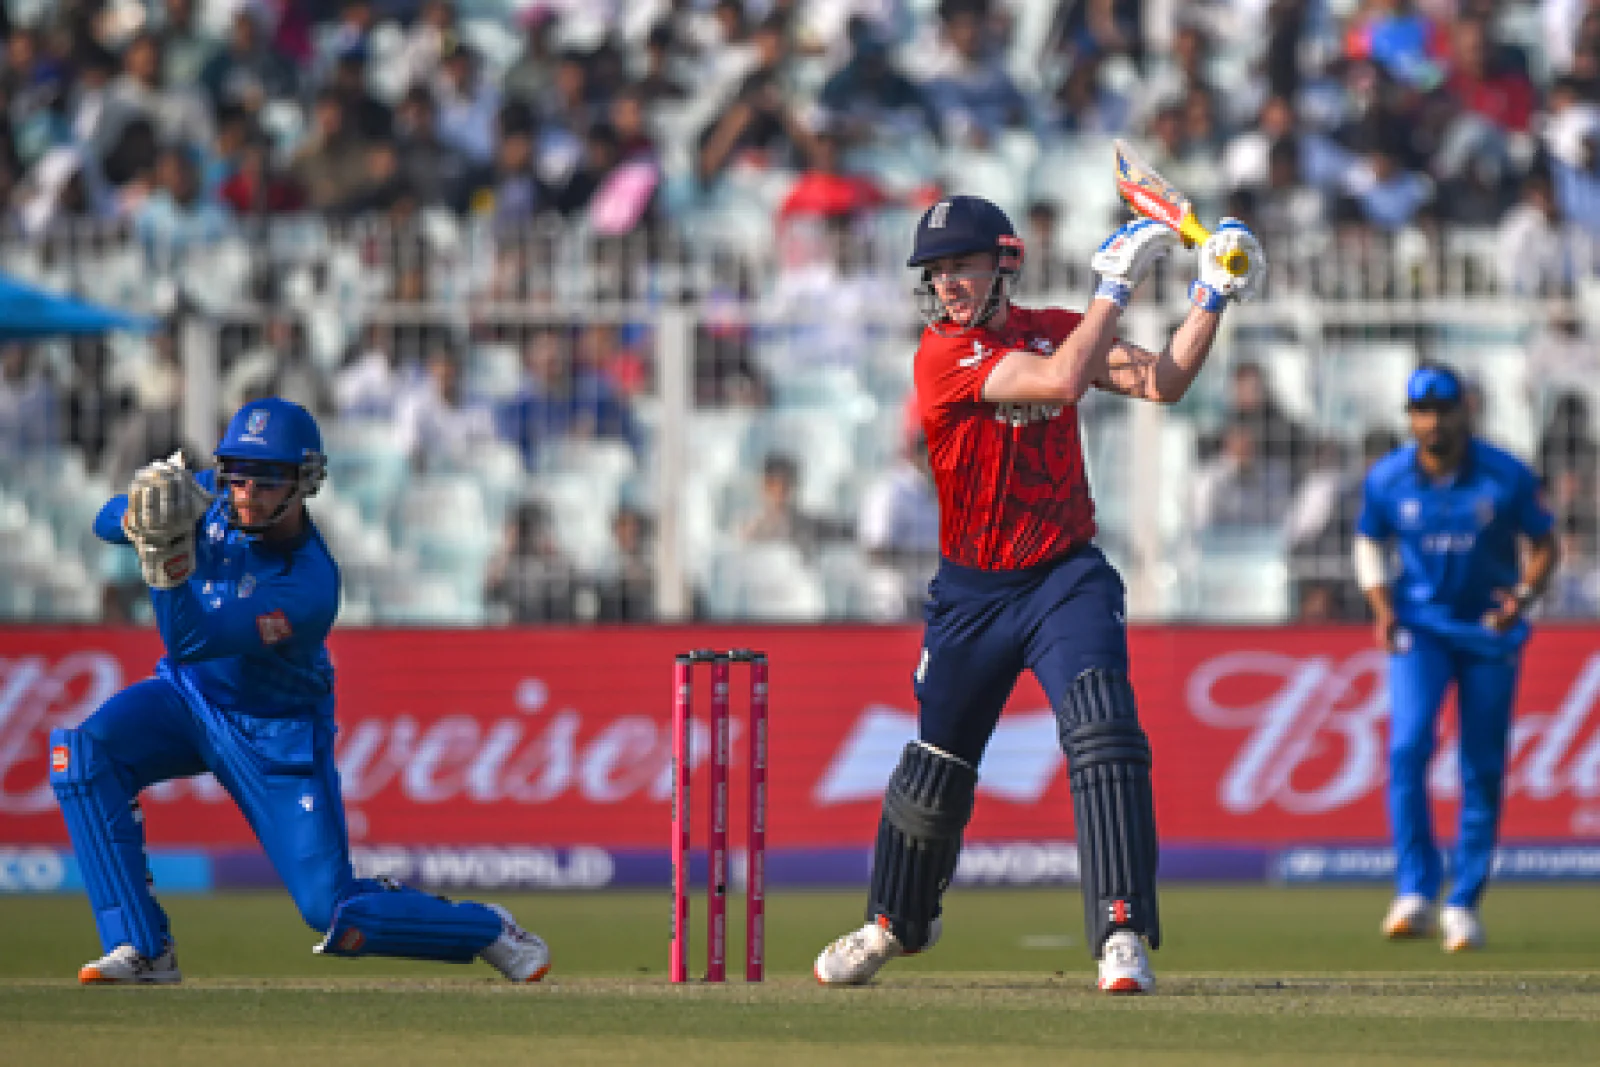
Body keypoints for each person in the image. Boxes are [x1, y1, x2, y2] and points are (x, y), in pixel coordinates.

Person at [812, 195, 1266, 993]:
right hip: (971, 593)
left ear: (1004, 263)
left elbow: (1163, 381)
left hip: (1063, 576)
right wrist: (1113, 288)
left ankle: (1121, 929)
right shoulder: (940, 355)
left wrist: (1211, 295)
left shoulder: (1056, 326)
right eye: (937, 270)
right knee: (937, 768)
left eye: (962, 264)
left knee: (1103, 729)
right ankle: (893, 922)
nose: (949, 283)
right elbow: (1059, 382)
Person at [51, 397, 549, 985]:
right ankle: (141, 947)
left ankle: (487, 928)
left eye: (267, 480)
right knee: (82, 755)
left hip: (276, 735)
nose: (247, 494)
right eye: (238, 475)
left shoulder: (310, 585)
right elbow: (103, 520)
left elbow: (193, 640)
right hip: (189, 700)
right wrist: (145, 509)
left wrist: (165, 555)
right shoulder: (213, 493)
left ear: (304, 482)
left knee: (332, 911)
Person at [1354, 365, 1559, 953]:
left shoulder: (1505, 474)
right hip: (1421, 628)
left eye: (1443, 410)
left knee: (1482, 767)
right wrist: (1381, 606)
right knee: (1407, 747)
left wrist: (1523, 597)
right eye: (1422, 412)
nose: (1432, 423)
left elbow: (1545, 545)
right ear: (1410, 417)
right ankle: (1415, 890)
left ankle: (1463, 902)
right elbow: (1369, 541)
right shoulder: (1388, 478)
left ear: (1464, 412)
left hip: (1488, 630)